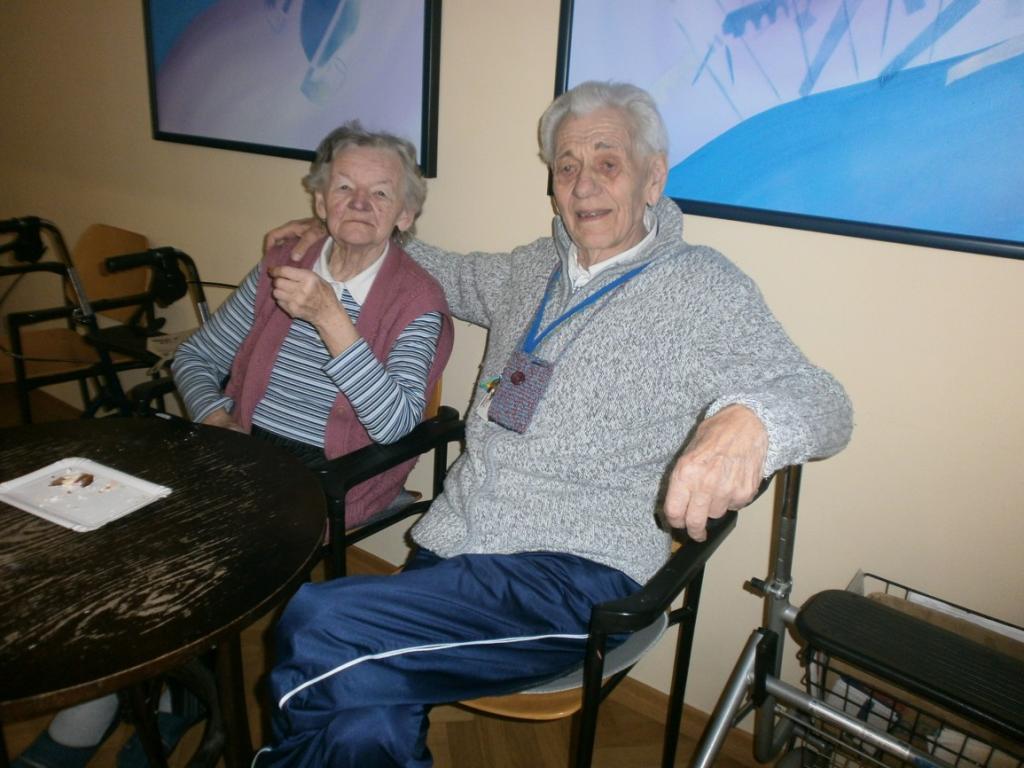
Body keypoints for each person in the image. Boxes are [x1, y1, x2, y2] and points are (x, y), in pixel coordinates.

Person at [254, 81, 854, 767]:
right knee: (366, 727)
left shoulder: (702, 287)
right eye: (566, 165)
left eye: (607, 162)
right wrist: (339, 229)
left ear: (654, 177)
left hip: (573, 577)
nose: (583, 183)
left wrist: (750, 422)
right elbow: (431, 263)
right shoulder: (531, 269)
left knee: (318, 620)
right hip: (456, 548)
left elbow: (824, 399)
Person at [12, 122, 453, 768]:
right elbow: (196, 357)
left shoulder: (418, 301)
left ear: (406, 214)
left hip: (334, 473)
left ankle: (175, 704)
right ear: (319, 199)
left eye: (380, 193)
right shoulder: (285, 267)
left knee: (187, 550)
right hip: (239, 447)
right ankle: (125, 700)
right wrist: (215, 414)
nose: (359, 203)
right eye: (344, 187)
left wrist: (332, 319)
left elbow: (395, 425)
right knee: (119, 528)